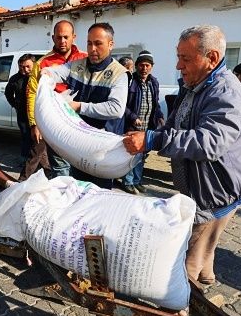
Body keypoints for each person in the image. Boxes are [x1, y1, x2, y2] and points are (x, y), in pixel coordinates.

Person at [123, 25, 241, 285]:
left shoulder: (225, 93)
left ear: (212, 58)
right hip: (200, 190)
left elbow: (210, 142)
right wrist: (152, 134)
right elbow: (175, 123)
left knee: (186, 266)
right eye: (178, 56)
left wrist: (152, 140)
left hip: (214, 194)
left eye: (186, 58)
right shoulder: (195, 84)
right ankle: (206, 278)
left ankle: (183, 304)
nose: (178, 65)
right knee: (206, 250)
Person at [43, 22, 130, 189]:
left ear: (111, 45)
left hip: (101, 149)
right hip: (78, 143)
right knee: (76, 189)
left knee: (97, 194)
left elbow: (116, 109)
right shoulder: (78, 65)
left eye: (98, 43)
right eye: (89, 43)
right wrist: (46, 74)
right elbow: (56, 72)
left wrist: (79, 106)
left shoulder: (119, 74)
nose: (92, 49)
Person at [26, 20, 87, 178]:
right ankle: (63, 199)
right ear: (53, 38)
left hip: (81, 121)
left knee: (81, 166)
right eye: (59, 37)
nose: (62, 41)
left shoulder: (85, 59)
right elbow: (33, 93)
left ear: (74, 37)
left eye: (66, 37)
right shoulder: (42, 63)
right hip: (55, 123)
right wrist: (35, 123)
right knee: (60, 167)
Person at [113, 50, 165, 194]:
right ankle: (128, 182)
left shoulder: (154, 82)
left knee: (142, 155)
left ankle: (137, 180)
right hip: (131, 125)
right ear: (136, 66)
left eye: (147, 65)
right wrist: (132, 117)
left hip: (148, 125)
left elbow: (155, 104)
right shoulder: (129, 81)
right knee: (131, 154)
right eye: (141, 65)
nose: (144, 68)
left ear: (152, 67)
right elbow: (122, 104)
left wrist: (160, 116)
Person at [4, 53, 35, 159]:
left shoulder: (37, 77)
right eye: (21, 66)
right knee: (26, 137)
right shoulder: (14, 79)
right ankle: (25, 160)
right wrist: (15, 105)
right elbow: (8, 93)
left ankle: (39, 162)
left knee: (38, 139)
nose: (24, 69)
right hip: (22, 114)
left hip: (37, 114)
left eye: (27, 67)